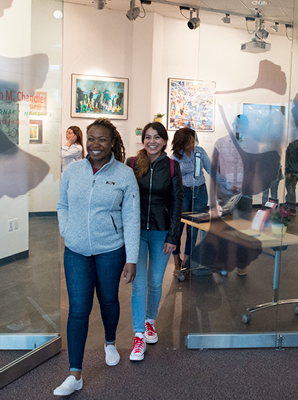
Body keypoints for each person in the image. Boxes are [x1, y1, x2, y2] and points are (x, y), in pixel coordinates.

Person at [54, 118, 140, 396]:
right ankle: (75, 373)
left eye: (102, 139)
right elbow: (62, 204)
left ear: (112, 142)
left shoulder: (125, 174)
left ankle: (110, 341)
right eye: (91, 138)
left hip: (110, 250)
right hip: (76, 250)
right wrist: (67, 230)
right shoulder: (74, 171)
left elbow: (131, 217)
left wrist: (132, 257)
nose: (95, 144)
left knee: (108, 299)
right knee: (78, 309)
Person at [127, 122, 183, 362]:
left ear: (164, 141)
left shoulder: (172, 166)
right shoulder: (131, 164)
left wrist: (173, 237)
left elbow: (177, 202)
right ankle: (138, 334)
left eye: (157, 137)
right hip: (135, 231)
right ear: (143, 140)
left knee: (155, 282)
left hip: (161, 232)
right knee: (139, 284)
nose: (152, 141)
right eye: (148, 137)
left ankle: (150, 322)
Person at [170, 127, 230, 276]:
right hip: (182, 194)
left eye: (193, 141)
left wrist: (227, 185)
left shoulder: (200, 152)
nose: (192, 145)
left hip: (200, 193)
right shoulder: (174, 157)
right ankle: (177, 263)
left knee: (194, 229)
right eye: (188, 143)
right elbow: (171, 180)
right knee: (178, 229)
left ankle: (187, 262)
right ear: (181, 143)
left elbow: (211, 170)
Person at [214, 114, 255, 218]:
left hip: (244, 192)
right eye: (237, 126)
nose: (239, 130)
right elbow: (216, 169)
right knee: (226, 225)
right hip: (225, 192)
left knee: (244, 225)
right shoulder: (220, 143)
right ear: (232, 125)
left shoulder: (252, 145)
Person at [284, 139, 298, 215]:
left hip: (293, 172)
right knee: (291, 189)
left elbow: (292, 160)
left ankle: (291, 208)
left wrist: (289, 171)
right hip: (297, 171)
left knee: (290, 189)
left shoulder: (292, 145)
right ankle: (289, 207)